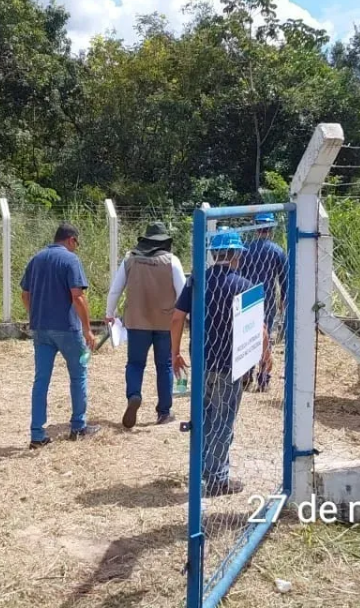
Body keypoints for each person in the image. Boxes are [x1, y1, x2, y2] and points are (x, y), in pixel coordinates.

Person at [171, 229, 271, 497]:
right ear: (237, 254)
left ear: (214, 254)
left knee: (204, 415)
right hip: (231, 363)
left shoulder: (196, 282)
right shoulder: (245, 285)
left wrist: (175, 352)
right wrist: (265, 357)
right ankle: (217, 478)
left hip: (202, 359)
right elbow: (259, 329)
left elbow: (177, 317)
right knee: (224, 419)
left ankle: (203, 470)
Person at [20, 223, 100, 448]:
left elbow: (25, 295)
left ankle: (37, 434)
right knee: (78, 375)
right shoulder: (70, 261)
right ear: (71, 240)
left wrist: (35, 314)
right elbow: (78, 297)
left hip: (41, 329)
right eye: (77, 244)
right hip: (67, 328)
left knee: (41, 380)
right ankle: (78, 427)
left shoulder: (36, 259)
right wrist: (87, 329)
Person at [105, 222, 186, 428]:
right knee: (164, 365)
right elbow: (182, 292)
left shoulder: (130, 259)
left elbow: (115, 290)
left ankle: (134, 395)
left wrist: (109, 313)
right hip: (165, 323)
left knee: (135, 364)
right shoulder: (172, 261)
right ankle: (164, 412)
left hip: (137, 322)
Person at [238, 212, 288, 392]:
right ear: (271, 229)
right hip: (267, 297)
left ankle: (246, 374)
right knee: (265, 337)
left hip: (247, 295)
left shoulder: (245, 249)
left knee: (248, 335)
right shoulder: (277, 251)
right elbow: (284, 279)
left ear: (255, 227)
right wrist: (283, 298)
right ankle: (264, 377)